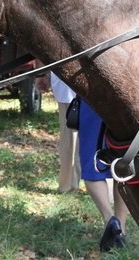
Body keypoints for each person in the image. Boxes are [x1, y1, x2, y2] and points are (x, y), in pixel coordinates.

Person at [52, 73, 129, 251]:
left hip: (92, 98)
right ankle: (121, 229)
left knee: (91, 166)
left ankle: (110, 220)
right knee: (121, 167)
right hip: (121, 97)